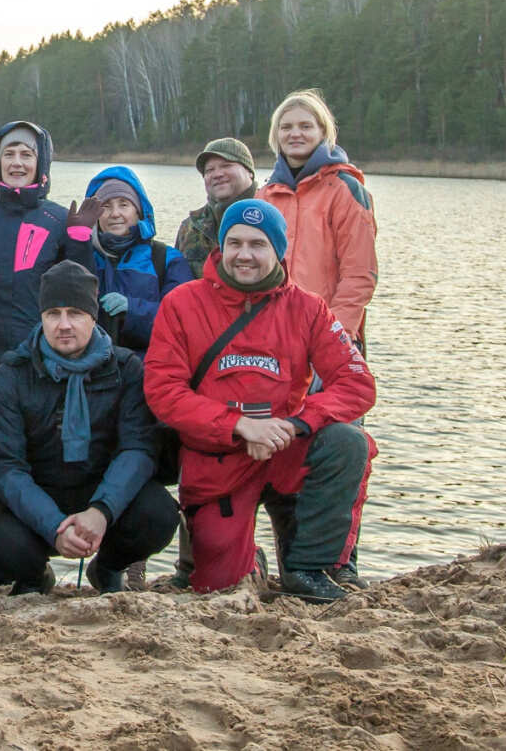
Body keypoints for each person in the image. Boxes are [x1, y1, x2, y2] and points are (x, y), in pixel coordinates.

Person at [143, 200, 376, 603]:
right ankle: (249, 560)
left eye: (257, 244)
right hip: (218, 457)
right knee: (217, 584)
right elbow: (164, 392)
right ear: (221, 246)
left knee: (348, 442)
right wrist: (237, 425)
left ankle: (311, 566)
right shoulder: (181, 303)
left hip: (283, 448)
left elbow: (356, 384)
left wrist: (297, 424)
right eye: (234, 243)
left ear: (279, 250)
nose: (244, 255)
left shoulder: (309, 307)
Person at [0, 261, 181, 595]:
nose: (63, 325)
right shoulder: (13, 374)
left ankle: (108, 567)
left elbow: (139, 449)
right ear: (40, 317)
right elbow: (4, 465)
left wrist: (101, 511)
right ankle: (35, 576)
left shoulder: (126, 368)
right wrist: (53, 525)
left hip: (103, 491)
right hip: (42, 491)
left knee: (158, 513)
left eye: (75, 313)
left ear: (93, 316)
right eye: (53, 314)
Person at [0, 119, 94, 582]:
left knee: (39, 466)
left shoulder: (59, 219)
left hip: (45, 370)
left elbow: (77, 298)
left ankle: (37, 560)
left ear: (42, 163)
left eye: (27, 155)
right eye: (9, 153)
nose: (17, 162)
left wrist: (81, 246)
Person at [258, 90, 378, 351]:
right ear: (276, 135)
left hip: (330, 337)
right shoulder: (265, 195)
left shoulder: (345, 190)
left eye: (305, 126)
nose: (295, 133)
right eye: (286, 127)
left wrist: (334, 334)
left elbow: (359, 275)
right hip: (271, 338)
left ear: (323, 132)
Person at [82, 166, 195, 354]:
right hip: (93, 373)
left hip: (149, 371)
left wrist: (132, 310)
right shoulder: (82, 256)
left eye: (124, 204)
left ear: (139, 211)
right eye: (106, 206)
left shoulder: (167, 259)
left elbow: (184, 319)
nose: (115, 213)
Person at [173, 138, 259, 275]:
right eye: (209, 170)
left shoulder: (272, 217)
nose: (217, 174)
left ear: (249, 172)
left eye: (226, 165)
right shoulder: (189, 227)